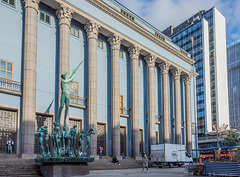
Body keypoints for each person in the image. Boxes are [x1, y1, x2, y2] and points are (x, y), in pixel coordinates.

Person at [58, 61, 82, 129]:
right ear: (63, 76)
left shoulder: (67, 79)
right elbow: (70, 79)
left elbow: (70, 77)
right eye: (65, 75)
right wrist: (74, 73)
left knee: (67, 107)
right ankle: (58, 119)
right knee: (62, 106)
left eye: (65, 75)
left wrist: (74, 73)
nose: (66, 75)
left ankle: (65, 120)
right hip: (63, 94)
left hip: (67, 95)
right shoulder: (63, 81)